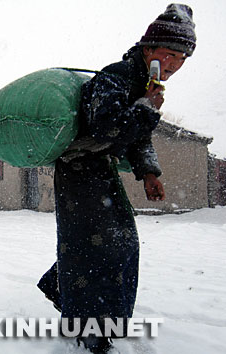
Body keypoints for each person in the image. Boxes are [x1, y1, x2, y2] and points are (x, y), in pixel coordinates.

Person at [37, 4, 196, 353]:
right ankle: (89, 326)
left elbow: (136, 137)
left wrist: (149, 172)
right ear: (149, 50)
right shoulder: (115, 76)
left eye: (181, 59)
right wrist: (145, 107)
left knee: (117, 245)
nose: (173, 65)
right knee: (99, 247)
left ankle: (64, 291)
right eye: (169, 55)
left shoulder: (142, 84)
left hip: (99, 169)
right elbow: (106, 126)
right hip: (79, 168)